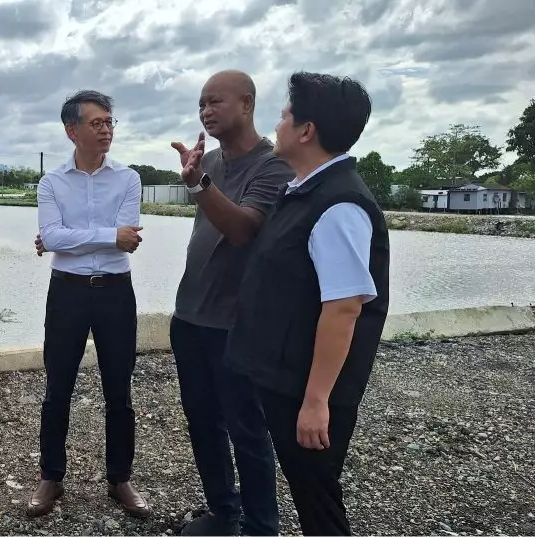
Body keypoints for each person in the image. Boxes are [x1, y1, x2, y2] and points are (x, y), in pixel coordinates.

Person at [225, 71, 389, 536]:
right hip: (283, 375)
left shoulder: (339, 206)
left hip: (307, 388)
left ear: (306, 131)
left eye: (284, 116)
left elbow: (344, 308)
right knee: (308, 490)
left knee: (318, 502)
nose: (277, 125)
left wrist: (317, 402)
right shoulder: (301, 190)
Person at [167, 70, 294, 536]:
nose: (206, 111)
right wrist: (200, 178)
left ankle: (261, 526)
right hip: (190, 316)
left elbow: (243, 230)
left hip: (236, 323)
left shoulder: (273, 165)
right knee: (202, 422)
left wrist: (199, 184)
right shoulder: (208, 162)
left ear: (247, 103)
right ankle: (223, 511)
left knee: (246, 429)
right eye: (201, 103)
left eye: (215, 101)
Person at [28, 90, 149, 519]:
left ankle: (120, 478)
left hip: (116, 291)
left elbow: (128, 239)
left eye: (109, 122)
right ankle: (51, 476)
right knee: (57, 388)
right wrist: (107, 236)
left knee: (120, 390)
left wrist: (70, 238)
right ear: (72, 130)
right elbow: (53, 236)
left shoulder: (128, 178)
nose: (106, 130)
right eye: (96, 123)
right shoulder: (52, 182)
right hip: (68, 292)